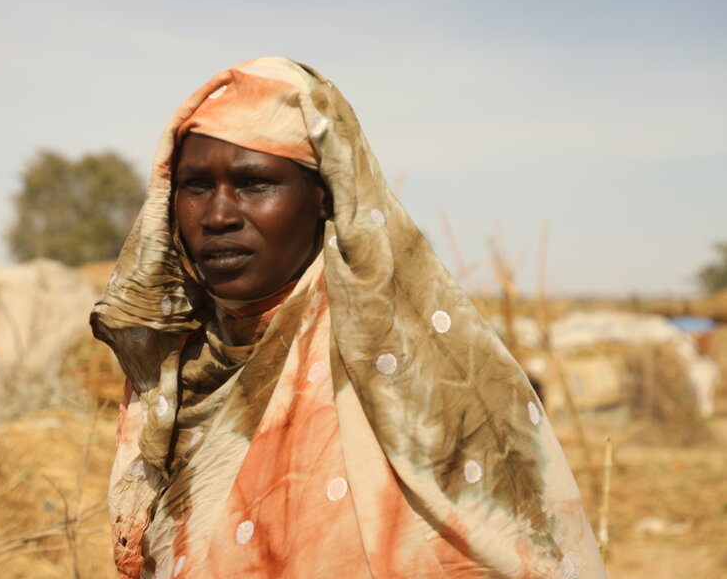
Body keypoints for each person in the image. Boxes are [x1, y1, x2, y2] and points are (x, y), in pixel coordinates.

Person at [90, 57, 606, 579]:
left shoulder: (422, 371)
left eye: (254, 183)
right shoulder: (180, 377)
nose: (219, 214)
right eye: (196, 186)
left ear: (323, 196)